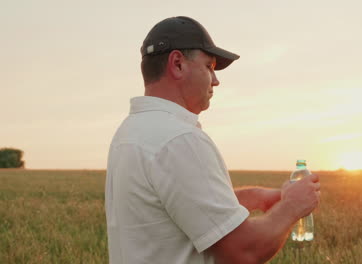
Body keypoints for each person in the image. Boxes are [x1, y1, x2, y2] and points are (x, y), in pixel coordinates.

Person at [105, 16, 320, 264]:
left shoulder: (132, 131)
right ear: (177, 64)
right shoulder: (179, 139)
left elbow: (174, 208)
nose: (216, 80)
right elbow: (243, 252)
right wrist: (292, 207)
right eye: (209, 66)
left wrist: (255, 197)